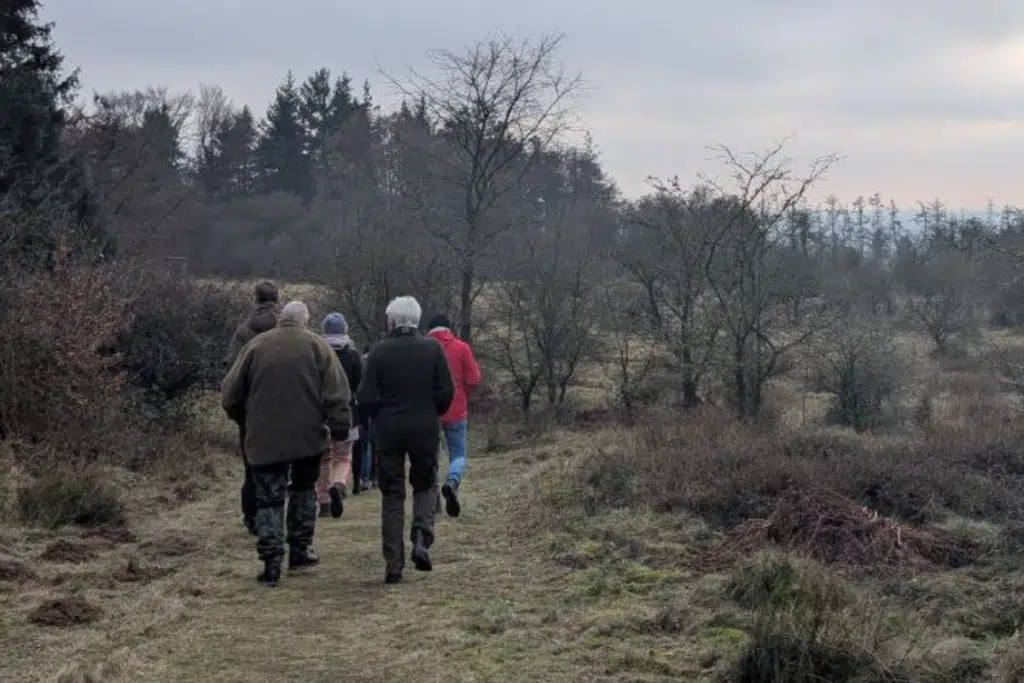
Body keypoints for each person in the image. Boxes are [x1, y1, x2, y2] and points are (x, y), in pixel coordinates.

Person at [221, 301, 351, 587]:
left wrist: (244, 419)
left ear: (282, 320)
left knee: (268, 498)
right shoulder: (318, 347)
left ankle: (270, 562)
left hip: (263, 437)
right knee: (304, 490)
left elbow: (230, 394)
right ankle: (300, 550)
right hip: (307, 436)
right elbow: (337, 393)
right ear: (306, 321)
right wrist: (340, 428)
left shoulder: (255, 347)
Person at [357, 296, 455, 584]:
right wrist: (432, 411)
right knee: (425, 484)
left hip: (389, 430)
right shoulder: (432, 349)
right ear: (416, 319)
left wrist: (378, 415)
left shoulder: (378, 352)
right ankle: (422, 537)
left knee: (392, 494)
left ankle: (394, 563)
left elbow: (365, 397)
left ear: (392, 321)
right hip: (424, 427)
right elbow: (446, 391)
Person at [224, 280, 280, 536]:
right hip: (282, 407)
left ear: (255, 299)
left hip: (250, 410)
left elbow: (232, 373)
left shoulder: (243, 332)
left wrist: (236, 411)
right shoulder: (289, 329)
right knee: (280, 465)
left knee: (251, 466)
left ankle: (252, 516)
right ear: (277, 299)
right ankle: (275, 516)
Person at [426, 314, 482, 518]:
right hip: (456, 409)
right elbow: (474, 378)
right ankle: (453, 481)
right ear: (449, 329)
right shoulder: (461, 347)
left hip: (429, 411)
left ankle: (433, 501)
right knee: (458, 453)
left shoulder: (422, 348)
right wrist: (462, 394)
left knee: (431, 456)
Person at [315, 312, 362, 518]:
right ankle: (339, 484)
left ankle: (323, 501)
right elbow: (359, 383)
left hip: (320, 412)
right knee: (343, 456)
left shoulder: (317, 352)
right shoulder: (352, 354)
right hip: (346, 411)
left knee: (323, 457)